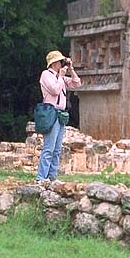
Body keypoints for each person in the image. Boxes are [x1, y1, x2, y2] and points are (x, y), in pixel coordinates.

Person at [37, 50, 81, 182]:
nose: (61, 64)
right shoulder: (46, 75)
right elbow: (55, 90)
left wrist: (71, 69)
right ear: (54, 63)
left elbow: (77, 83)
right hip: (50, 112)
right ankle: (41, 177)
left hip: (61, 114)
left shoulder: (59, 76)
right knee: (49, 148)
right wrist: (61, 77)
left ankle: (52, 177)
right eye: (59, 62)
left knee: (57, 149)